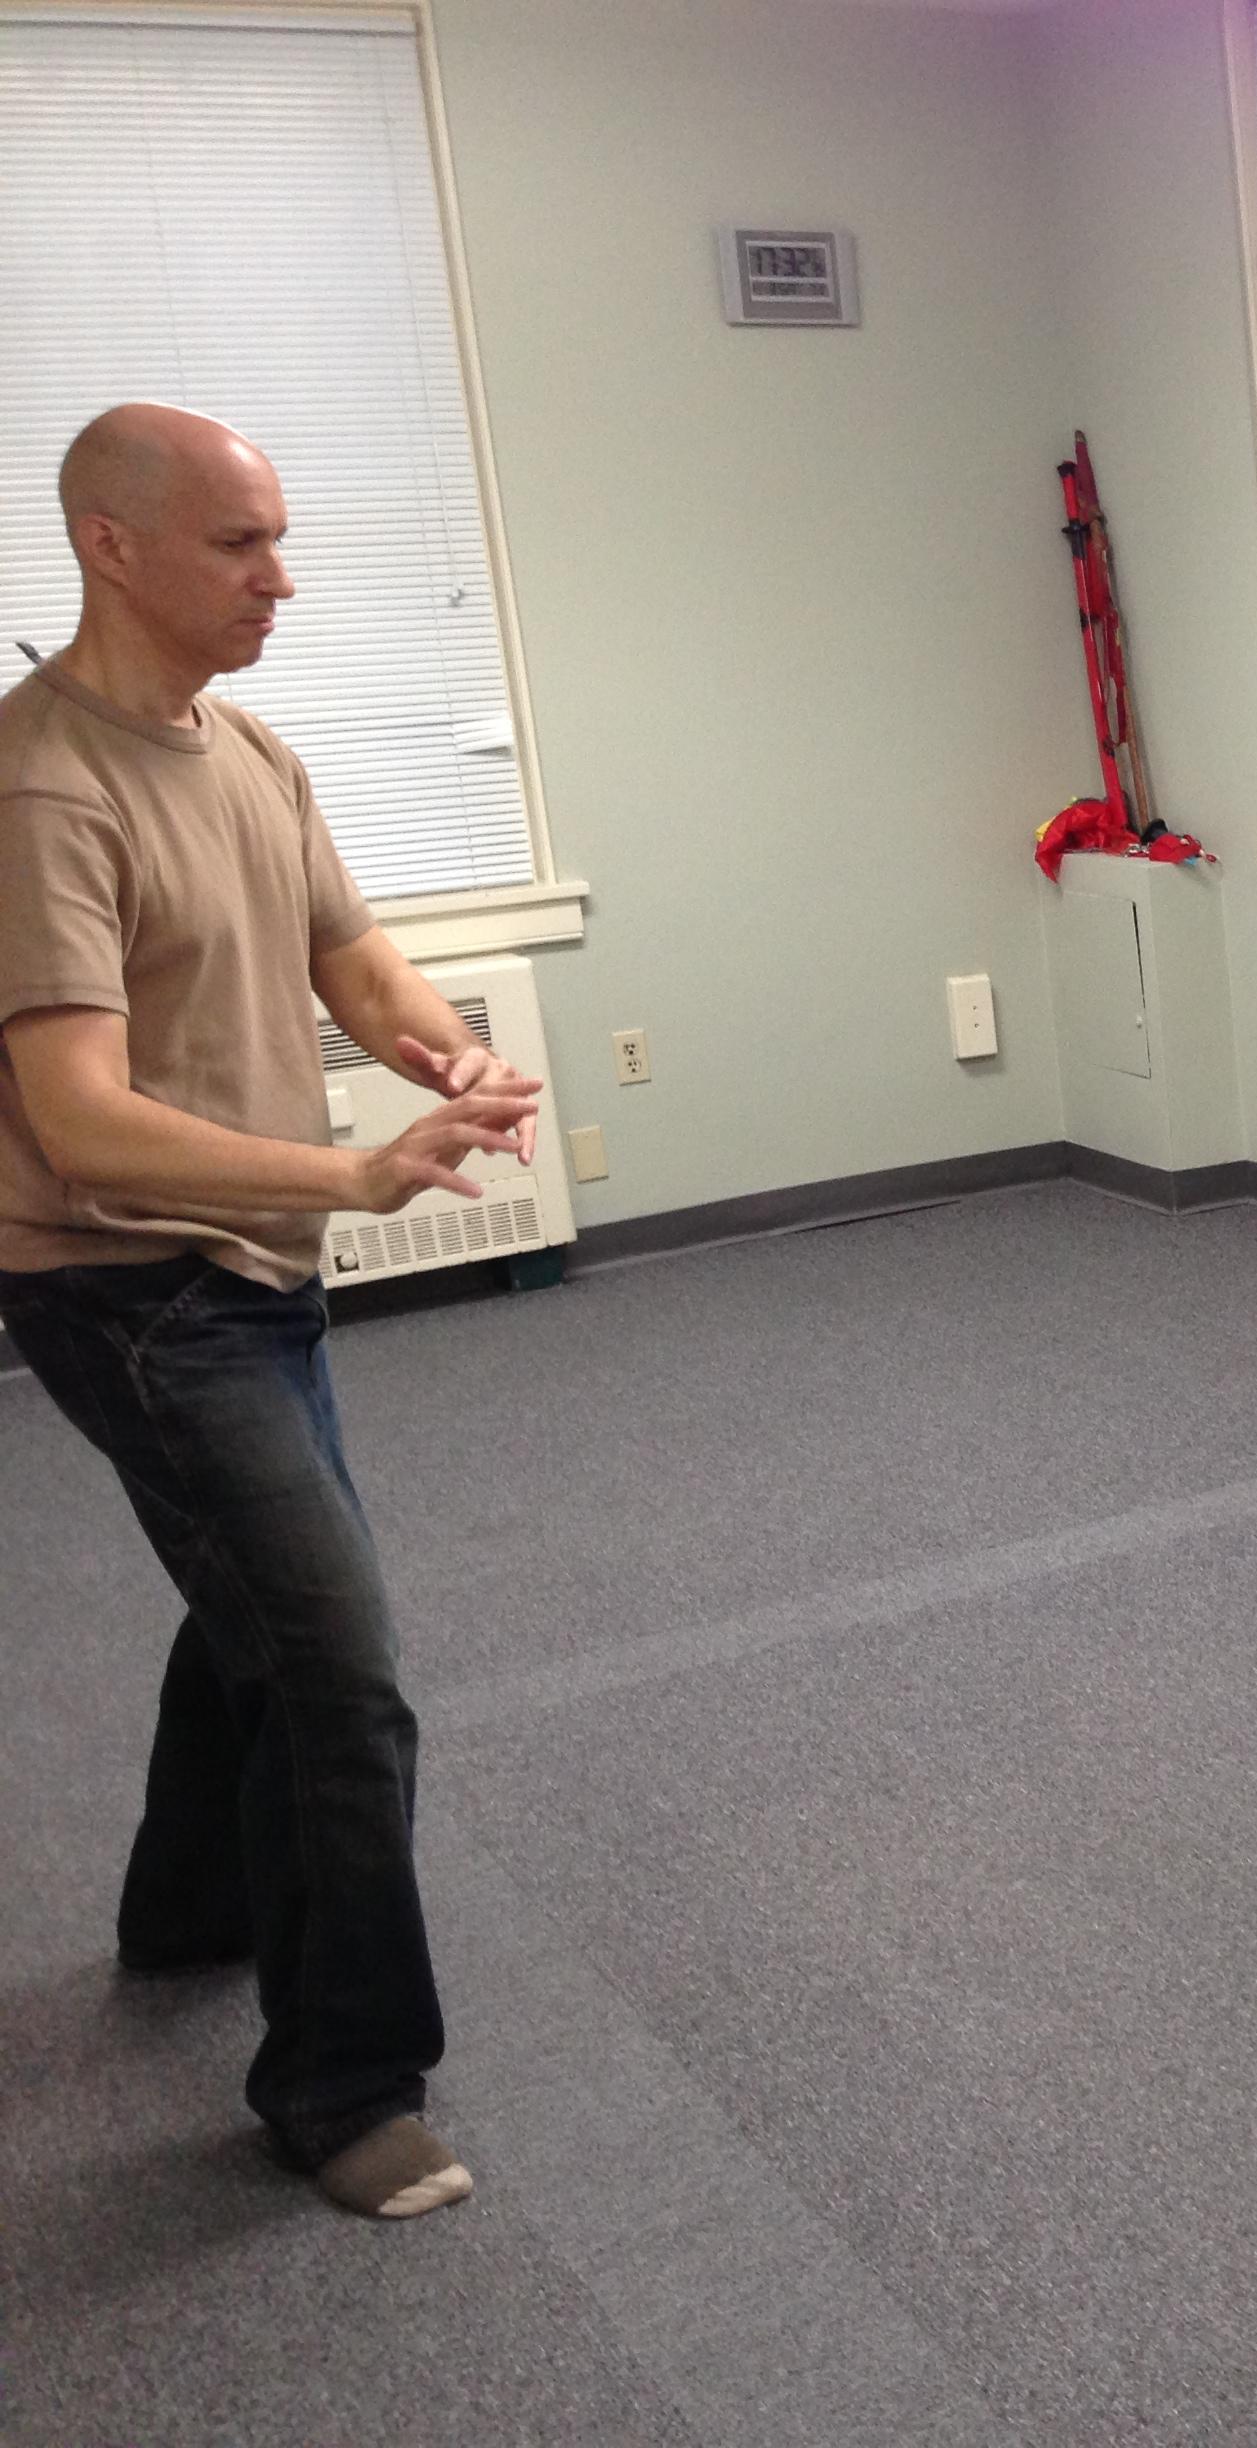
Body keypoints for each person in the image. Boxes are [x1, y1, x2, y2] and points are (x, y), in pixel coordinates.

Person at [0, 404, 543, 2218]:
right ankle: (341, 2082)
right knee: (337, 1666)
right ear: (111, 545)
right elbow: (75, 1116)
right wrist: (348, 1177)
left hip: (249, 1268)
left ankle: (188, 1914)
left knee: (254, 1587)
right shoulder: (40, 789)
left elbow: (343, 947)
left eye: (279, 536)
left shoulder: (246, 746)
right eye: (238, 544)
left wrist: (438, 1044)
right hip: (129, 1287)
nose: (279, 578)